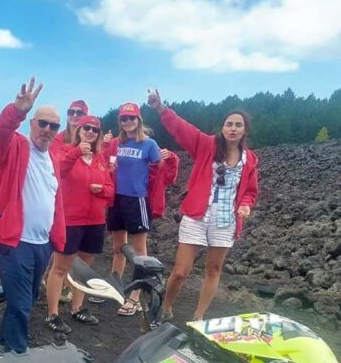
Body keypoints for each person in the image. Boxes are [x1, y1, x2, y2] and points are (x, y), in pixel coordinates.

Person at [148, 88, 259, 321]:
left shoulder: (250, 160)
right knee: (181, 271)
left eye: (238, 125)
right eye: (229, 124)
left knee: (213, 269)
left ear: (245, 130)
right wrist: (161, 108)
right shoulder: (206, 145)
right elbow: (182, 128)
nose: (233, 128)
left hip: (225, 220)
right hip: (197, 215)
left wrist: (246, 205)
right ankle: (165, 308)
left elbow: (250, 191)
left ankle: (198, 317)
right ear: (223, 127)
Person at [0, 77, 66, 355]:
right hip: (15, 241)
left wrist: (56, 238)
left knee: (27, 300)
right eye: (42, 123)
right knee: (20, 304)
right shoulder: (15, 148)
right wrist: (17, 111)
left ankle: (1, 345)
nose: (47, 129)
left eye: (53, 126)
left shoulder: (53, 158)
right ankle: (17, 355)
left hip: (41, 244)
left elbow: (54, 199)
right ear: (32, 123)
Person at [44, 115, 113, 333]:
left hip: (95, 221)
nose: (90, 132)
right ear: (78, 130)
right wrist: (76, 152)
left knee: (83, 268)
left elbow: (111, 189)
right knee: (60, 268)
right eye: (86, 128)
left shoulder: (100, 159)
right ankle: (53, 314)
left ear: (98, 134)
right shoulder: (66, 151)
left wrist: (101, 190)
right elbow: (58, 171)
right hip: (70, 221)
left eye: (95, 129)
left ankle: (77, 308)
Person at [107, 103, 162, 316]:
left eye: (131, 118)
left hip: (137, 200)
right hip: (117, 198)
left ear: (139, 120)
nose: (128, 122)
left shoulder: (149, 144)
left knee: (139, 252)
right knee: (118, 248)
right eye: (124, 118)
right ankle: (115, 288)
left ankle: (135, 297)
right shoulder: (116, 143)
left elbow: (161, 171)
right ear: (120, 121)